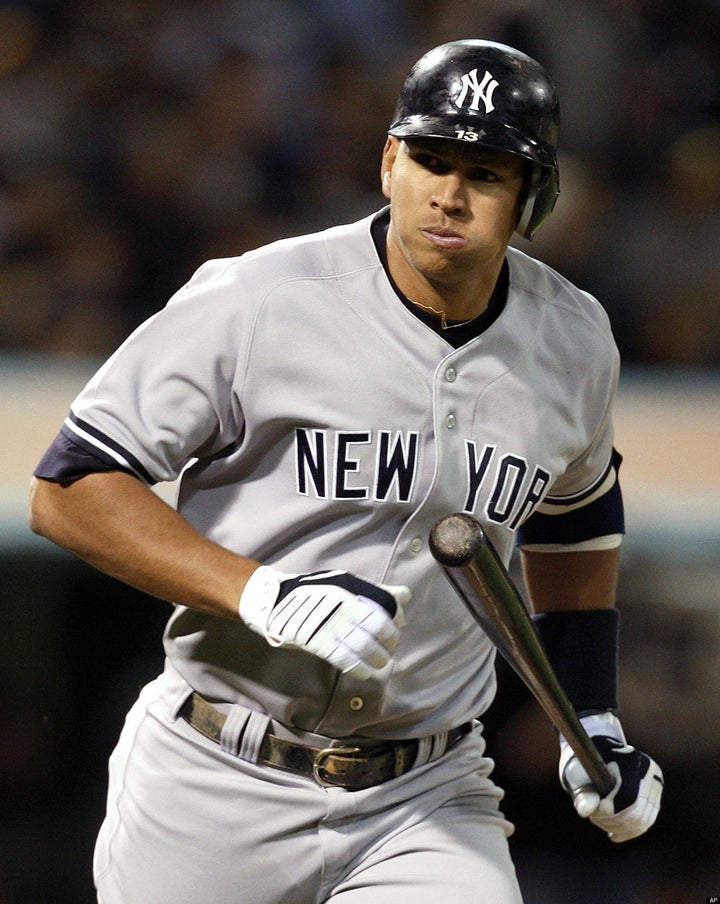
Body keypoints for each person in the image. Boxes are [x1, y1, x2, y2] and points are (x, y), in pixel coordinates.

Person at [29, 40, 663, 904]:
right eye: (430, 160)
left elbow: (576, 513)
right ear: (388, 161)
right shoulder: (257, 299)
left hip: (426, 792)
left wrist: (589, 712)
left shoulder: (575, 340)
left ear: (531, 198)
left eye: (484, 173)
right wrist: (261, 592)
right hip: (215, 774)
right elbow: (69, 488)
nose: (447, 193)